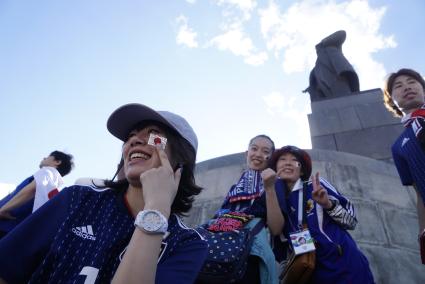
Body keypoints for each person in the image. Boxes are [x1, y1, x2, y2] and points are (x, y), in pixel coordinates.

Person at [0, 103, 208, 284]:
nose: (134, 140)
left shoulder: (187, 244)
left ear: (182, 159)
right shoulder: (76, 200)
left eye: (154, 134)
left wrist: (156, 211)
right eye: (130, 136)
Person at [266, 145, 374, 284]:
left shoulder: (315, 186)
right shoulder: (273, 198)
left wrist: (327, 204)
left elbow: (351, 221)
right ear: (275, 168)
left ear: (302, 170)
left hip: (344, 265)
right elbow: (278, 242)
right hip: (310, 271)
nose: (288, 162)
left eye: (294, 160)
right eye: (282, 159)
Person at [207, 134, 281, 284]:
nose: (258, 154)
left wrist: (269, 188)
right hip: (221, 251)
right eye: (254, 149)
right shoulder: (236, 187)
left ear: (272, 157)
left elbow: (276, 229)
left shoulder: (277, 183)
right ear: (247, 153)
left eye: (265, 151)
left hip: (252, 253)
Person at [383, 68, 425, 238]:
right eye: (398, 86)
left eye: (412, 82)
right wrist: (422, 233)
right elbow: (419, 194)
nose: (407, 87)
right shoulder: (398, 146)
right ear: (392, 101)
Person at [0, 150, 74, 238]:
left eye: (48, 156)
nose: (44, 158)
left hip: (5, 226)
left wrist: (3, 209)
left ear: (57, 162)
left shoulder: (48, 172)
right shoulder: (54, 185)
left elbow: (32, 189)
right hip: (14, 232)